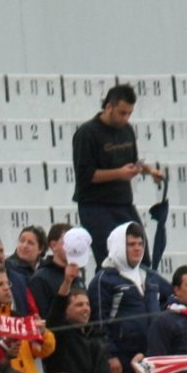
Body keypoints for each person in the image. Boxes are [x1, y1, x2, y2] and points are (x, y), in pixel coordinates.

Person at [71, 84, 164, 265]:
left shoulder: (127, 130)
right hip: (95, 205)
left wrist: (150, 170)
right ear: (108, 107)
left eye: (129, 113)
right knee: (110, 259)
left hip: (123, 203)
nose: (126, 118)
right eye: (122, 113)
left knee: (141, 258)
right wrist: (119, 174)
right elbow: (86, 176)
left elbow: (134, 161)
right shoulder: (87, 133)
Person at [89, 221, 172, 373]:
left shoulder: (148, 275)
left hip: (151, 354)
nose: (137, 249)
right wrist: (110, 355)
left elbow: (172, 295)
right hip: (123, 357)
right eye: (131, 244)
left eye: (140, 244)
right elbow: (99, 321)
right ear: (119, 246)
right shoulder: (103, 279)